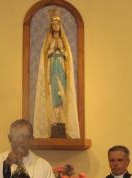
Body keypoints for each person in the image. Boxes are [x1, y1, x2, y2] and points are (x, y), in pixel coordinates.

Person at [33, 8, 80, 139]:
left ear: (60, 26)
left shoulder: (64, 41)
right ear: (51, 26)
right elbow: (45, 56)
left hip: (61, 69)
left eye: (57, 24)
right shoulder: (48, 41)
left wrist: (62, 52)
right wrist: (52, 50)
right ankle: (53, 120)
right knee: (53, 95)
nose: (56, 27)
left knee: (62, 94)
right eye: (53, 25)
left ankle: (61, 120)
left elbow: (67, 57)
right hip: (52, 69)